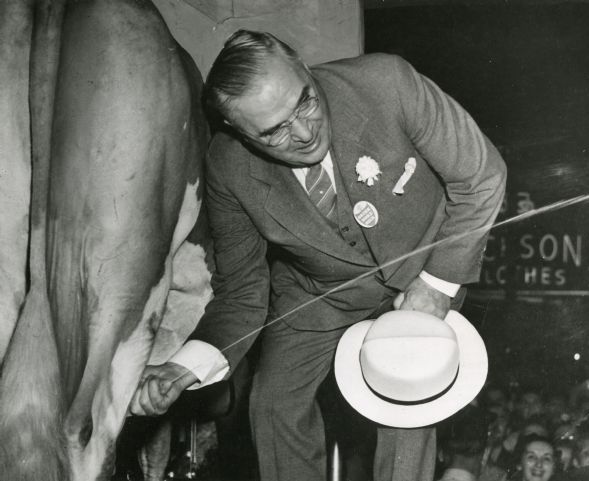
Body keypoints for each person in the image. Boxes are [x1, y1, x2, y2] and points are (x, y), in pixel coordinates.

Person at [130, 29, 507, 481]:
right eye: (275, 132)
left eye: (304, 102)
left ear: (305, 68)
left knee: (405, 393)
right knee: (272, 402)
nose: (306, 133)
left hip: (423, 268)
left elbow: (482, 177)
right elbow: (243, 292)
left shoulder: (387, 83)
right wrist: (182, 367)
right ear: (239, 133)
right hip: (319, 292)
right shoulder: (228, 168)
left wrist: (436, 287)